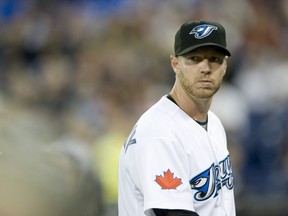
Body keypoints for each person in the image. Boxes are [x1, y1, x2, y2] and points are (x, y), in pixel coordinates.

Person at [118, 20, 236, 216]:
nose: (205, 68)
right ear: (175, 64)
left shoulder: (213, 122)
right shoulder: (159, 133)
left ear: (225, 66)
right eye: (194, 59)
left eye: (214, 59)